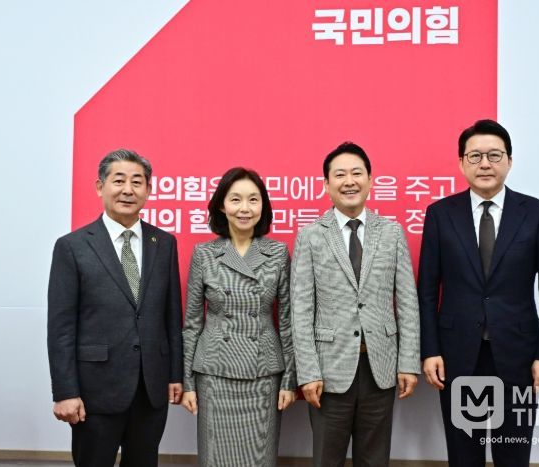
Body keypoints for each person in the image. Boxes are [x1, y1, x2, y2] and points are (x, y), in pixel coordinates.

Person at [418, 119, 539, 466]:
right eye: (475, 156)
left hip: (518, 356)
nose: (484, 163)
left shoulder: (537, 214)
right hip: (457, 355)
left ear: (509, 161)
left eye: (494, 155)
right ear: (461, 163)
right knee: (463, 456)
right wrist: (430, 350)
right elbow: (426, 290)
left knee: (513, 454)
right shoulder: (440, 214)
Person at [47, 149, 183, 467]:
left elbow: (171, 315)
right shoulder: (72, 246)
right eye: (118, 180)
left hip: (150, 389)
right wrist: (65, 391)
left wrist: (175, 374)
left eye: (137, 182)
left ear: (148, 190)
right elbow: (61, 327)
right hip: (95, 390)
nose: (128, 190)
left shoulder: (164, 243)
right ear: (100, 187)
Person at [290, 142, 420, 467]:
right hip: (328, 371)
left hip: (380, 368)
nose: (349, 181)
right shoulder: (310, 236)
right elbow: (301, 310)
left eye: (356, 173)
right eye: (340, 175)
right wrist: (308, 372)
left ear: (370, 180)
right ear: (326, 184)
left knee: (375, 460)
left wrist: (408, 363)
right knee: (327, 459)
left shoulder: (391, 232)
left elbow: (407, 302)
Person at [181, 167, 296, 467]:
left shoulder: (278, 253)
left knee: (260, 457)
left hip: (263, 375)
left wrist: (289, 380)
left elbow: (287, 322)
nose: (245, 208)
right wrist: (188, 383)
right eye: (236, 199)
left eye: (253, 200)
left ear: (263, 206)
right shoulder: (204, 254)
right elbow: (192, 324)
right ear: (222, 205)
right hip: (214, 374)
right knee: (214, 458)